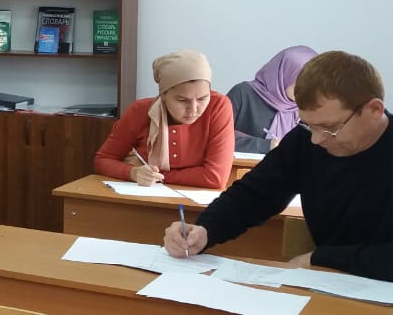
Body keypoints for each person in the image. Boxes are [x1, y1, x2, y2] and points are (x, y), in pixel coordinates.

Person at [164, 51, 393, 281]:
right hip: (329, 282)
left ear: (374, 110)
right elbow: (254, 195)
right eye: (309, 125)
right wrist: (205, 231)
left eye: (330, 128)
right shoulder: (305, 140)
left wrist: (321, 259)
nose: (316, 139)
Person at [94, 49, 235, 189]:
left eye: (203, 98)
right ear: (163, 95)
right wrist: (133, 173)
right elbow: (102, 160)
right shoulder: (140, 111)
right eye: (182, 100)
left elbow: (215, 177)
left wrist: (158, 176)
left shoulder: (218, 106)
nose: (193, 109)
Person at [226, 45, 318, 153]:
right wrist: (267, 146)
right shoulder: (243, 94)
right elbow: (216, 138)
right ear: (285, 74)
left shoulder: (307, 109)